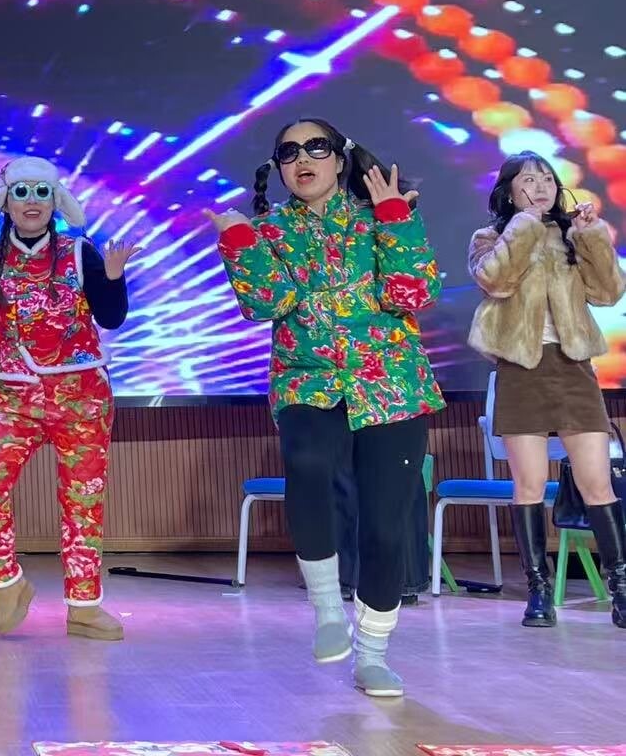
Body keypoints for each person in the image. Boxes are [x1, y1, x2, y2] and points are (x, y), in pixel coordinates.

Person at [208, 118, 442, 698]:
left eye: (316, 148)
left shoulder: (380, 217)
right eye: (288, 153)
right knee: (308, 465)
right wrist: (240, 243)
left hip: (392, 385)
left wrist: (394, 219)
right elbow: (267, 303)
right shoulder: (269, 230)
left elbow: (411, 294)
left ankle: (373, 654)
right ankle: (328, 612)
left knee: (386, 526)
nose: (302, 160)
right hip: (307, 381)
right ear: (279, 169)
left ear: (340, 159)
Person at [0, 156, 138, 639]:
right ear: (5, 203)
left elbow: (111, 318)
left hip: (82, 395)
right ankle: (6, 580)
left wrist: (113, 278)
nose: (32, 202)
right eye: (22, 192)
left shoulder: (80, 253)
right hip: (15, 394)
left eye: (42, 192)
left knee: (83, 501)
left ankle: (84, 606)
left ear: (55, 202)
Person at [467, 153, 626, 629]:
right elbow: (495, 281)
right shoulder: (490, 237)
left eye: (547, 180)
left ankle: (621, 587)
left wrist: (592, 238)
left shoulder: (572, 236)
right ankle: (538, 590)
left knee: (597, 482)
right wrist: (526, 226)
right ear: (509, 191)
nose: (540, 188)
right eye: (528, 180)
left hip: (574, 368)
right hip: (521, 369)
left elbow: (608, 293)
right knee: (529, 485)